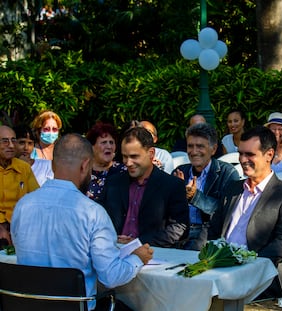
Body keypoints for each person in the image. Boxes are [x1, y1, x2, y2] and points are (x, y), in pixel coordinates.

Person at [11, 133, 153, 311]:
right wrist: (137, 258)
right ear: (86, 165)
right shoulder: (92, 213)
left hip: (27, 306)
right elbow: (111, 276)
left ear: (53, 164)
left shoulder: (23, 206)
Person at [209, 126, 282, 298]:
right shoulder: (232, 189)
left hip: (260, 272)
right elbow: (213, 229)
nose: (243, 159)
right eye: (240, 153)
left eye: (250, 154)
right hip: (218, 267)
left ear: (268, 155)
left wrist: (245, 263)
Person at [99, 126, 189, 247]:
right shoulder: (113, 182)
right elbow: (98, 217)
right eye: (125, 156)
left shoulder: (172, 185)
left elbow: (179, 227)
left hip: (153, 255)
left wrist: (139, 243)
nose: (128, 163)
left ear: (151, 153)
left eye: (134, 156)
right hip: (112, 251)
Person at [172, 123, 239, 250]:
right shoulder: (180, 171)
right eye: (190, 146)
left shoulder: (227, 173)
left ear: (213, 149)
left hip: (208, 234)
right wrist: (175, 194)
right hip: (179, 231)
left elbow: (226, 212)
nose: (194, 151)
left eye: (200, 146)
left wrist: (195, 197)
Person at [0, 125, 39, 248]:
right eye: (5, 141)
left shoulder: (23, 168)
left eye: (13, 140)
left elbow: (36, 198)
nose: (11, 146)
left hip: (20, 227)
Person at [85, 121, 127, 201]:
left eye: (111, 142)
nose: (109, 146)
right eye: (104, 142)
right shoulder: (83, 172)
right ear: (92, 147)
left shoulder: (123, 171)